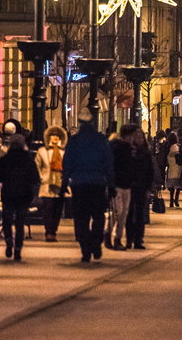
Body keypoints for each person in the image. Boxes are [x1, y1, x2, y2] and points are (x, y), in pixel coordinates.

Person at [63, 109, 114, 263]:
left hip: (79, 184)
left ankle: (85, 247)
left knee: (81, 218)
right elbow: (108, 162)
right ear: (93, 122)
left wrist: (64, 181)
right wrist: (111, 183)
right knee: (98, 216)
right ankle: (96, 242)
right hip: (98, 183)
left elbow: (67, 163)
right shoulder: (100, 140)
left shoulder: (74, 141)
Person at [0, 135, 40, 260]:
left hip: (8, 193)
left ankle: (9, 241)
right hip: (24, 194)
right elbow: (35, 178)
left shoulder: (5, 159)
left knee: (7, 219)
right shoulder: (28, 160)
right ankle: (18, 247)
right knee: (20, 221)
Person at [35, 125, 67, 242]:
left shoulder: (64, 152)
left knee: (58, 210)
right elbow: (37, 166)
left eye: (57, 136)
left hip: (60, 184)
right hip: (47, 184)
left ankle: (54, 230)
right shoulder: (42, 151)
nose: (55, 138)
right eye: (53, 135)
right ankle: (48, 232)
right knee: (48, 209)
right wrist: (41, 177)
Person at [106, 124, 135, 251]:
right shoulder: (116, 148)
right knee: (118, 212)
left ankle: (117, 238)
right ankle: (109, 234)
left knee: (123, 214)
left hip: (127, 185)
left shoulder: (130, 149)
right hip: (117, 184)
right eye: (131, 135)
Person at [125, 127, 154, 250]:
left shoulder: (146, 153)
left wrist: (149, 188)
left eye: (140, 137)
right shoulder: (128, 151)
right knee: (130, 213)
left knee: (140, 213)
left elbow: (150, 171)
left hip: (141, 187)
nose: (139, 139)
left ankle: (138, 239)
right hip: (129, 186)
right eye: (136, 136)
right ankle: (129, 239)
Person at [165, 132, 182, 207]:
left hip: (171, 167)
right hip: (177, 166)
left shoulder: (167, 146)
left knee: (172, 186)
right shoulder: (176, 146)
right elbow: (178, 155)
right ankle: (176, 199)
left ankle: (171, 200)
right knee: (178, 185)